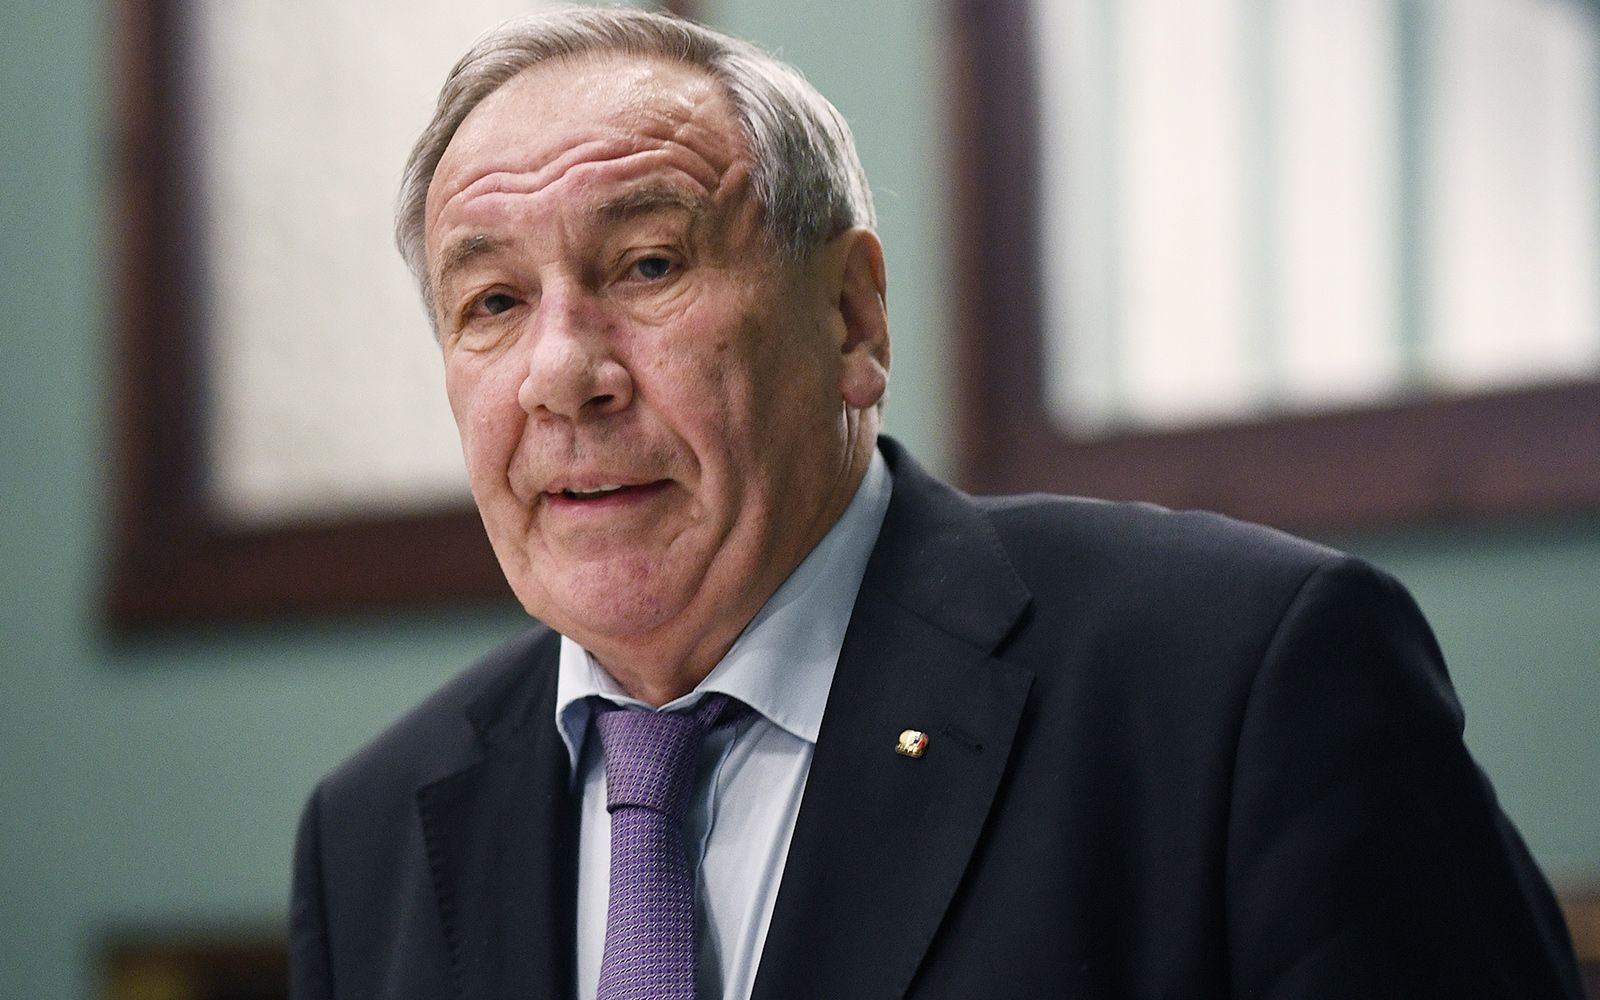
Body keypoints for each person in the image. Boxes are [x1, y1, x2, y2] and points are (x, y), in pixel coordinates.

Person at [290, 8, 1584, 999]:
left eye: (648, 264)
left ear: (853, 317)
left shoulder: (1244, 682)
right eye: (493, 302)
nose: (564, 373)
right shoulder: (370, 838)